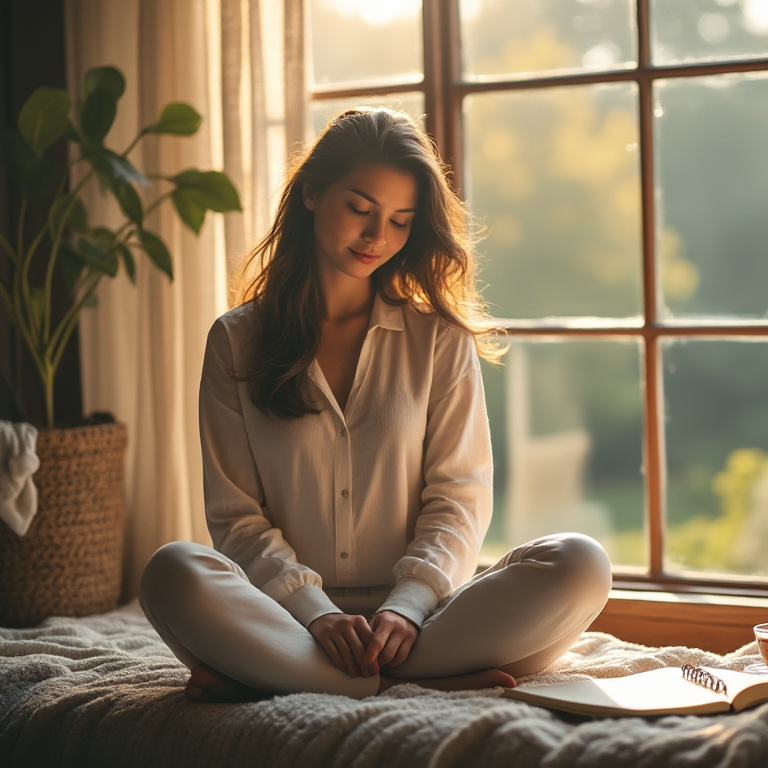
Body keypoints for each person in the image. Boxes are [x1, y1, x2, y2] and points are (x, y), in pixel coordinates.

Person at [139, 107, 612, 702]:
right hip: (286, 619)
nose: (376, 237)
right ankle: (409, 681)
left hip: (424, 622)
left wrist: (408, 608)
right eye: (360, 209)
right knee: (172, 573)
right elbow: (236, 518)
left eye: (399, 221)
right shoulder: (235, 340)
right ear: (311, 192)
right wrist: (314, 613)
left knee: (581, 563)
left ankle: (293, 676)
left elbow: (459, 498)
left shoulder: (438, 338)